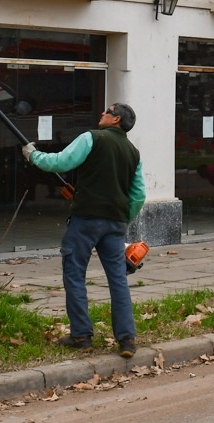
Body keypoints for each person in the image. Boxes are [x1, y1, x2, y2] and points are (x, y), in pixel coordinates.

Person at [22, 102, 145, 356]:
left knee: (75, 274)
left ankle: (81, 335)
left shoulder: (92, 138)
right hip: (115, 224)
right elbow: (138, 195)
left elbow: (61, 162)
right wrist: (122, 219)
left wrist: (33, 156)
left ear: (116, 119)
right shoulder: (134, 153)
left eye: (108, 111)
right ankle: (127, 340)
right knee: (118, 280)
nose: (103, 113)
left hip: (85, 220)